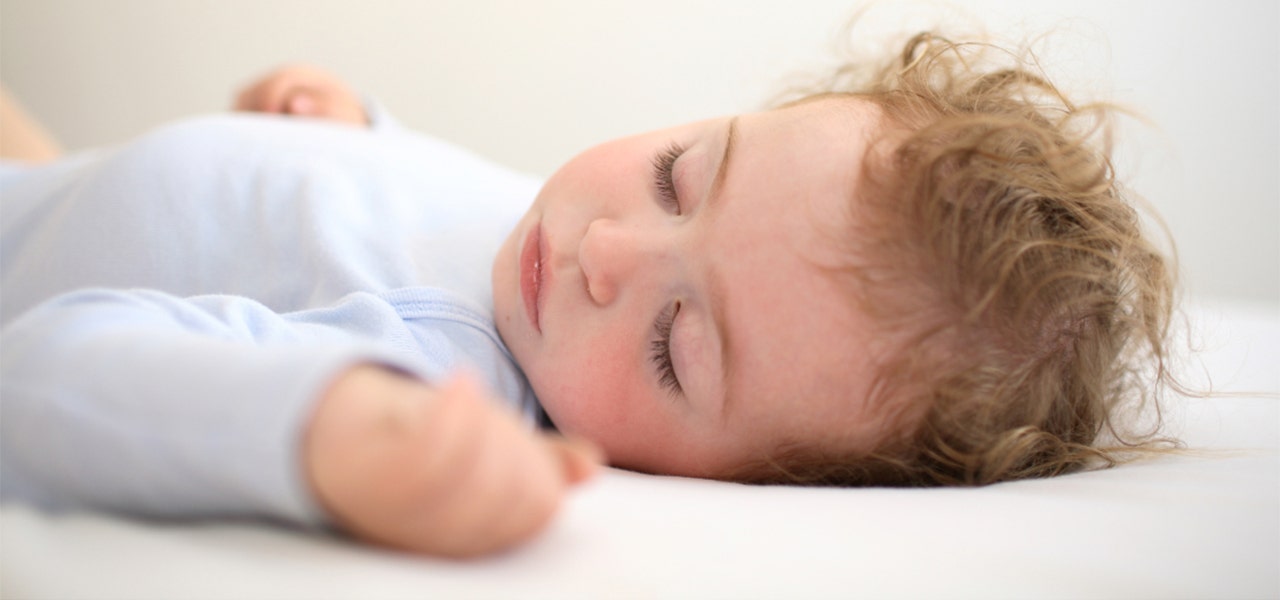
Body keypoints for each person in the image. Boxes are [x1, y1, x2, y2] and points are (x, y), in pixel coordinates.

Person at [0, 31, 1176, 558]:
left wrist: (320, 430)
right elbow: (433, 202)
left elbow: (49, 373)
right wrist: (355, 132)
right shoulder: (552, 246)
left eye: (675, 344)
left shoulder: (444, 368)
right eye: (678, 175)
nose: (607, 250)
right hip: (50, 184)